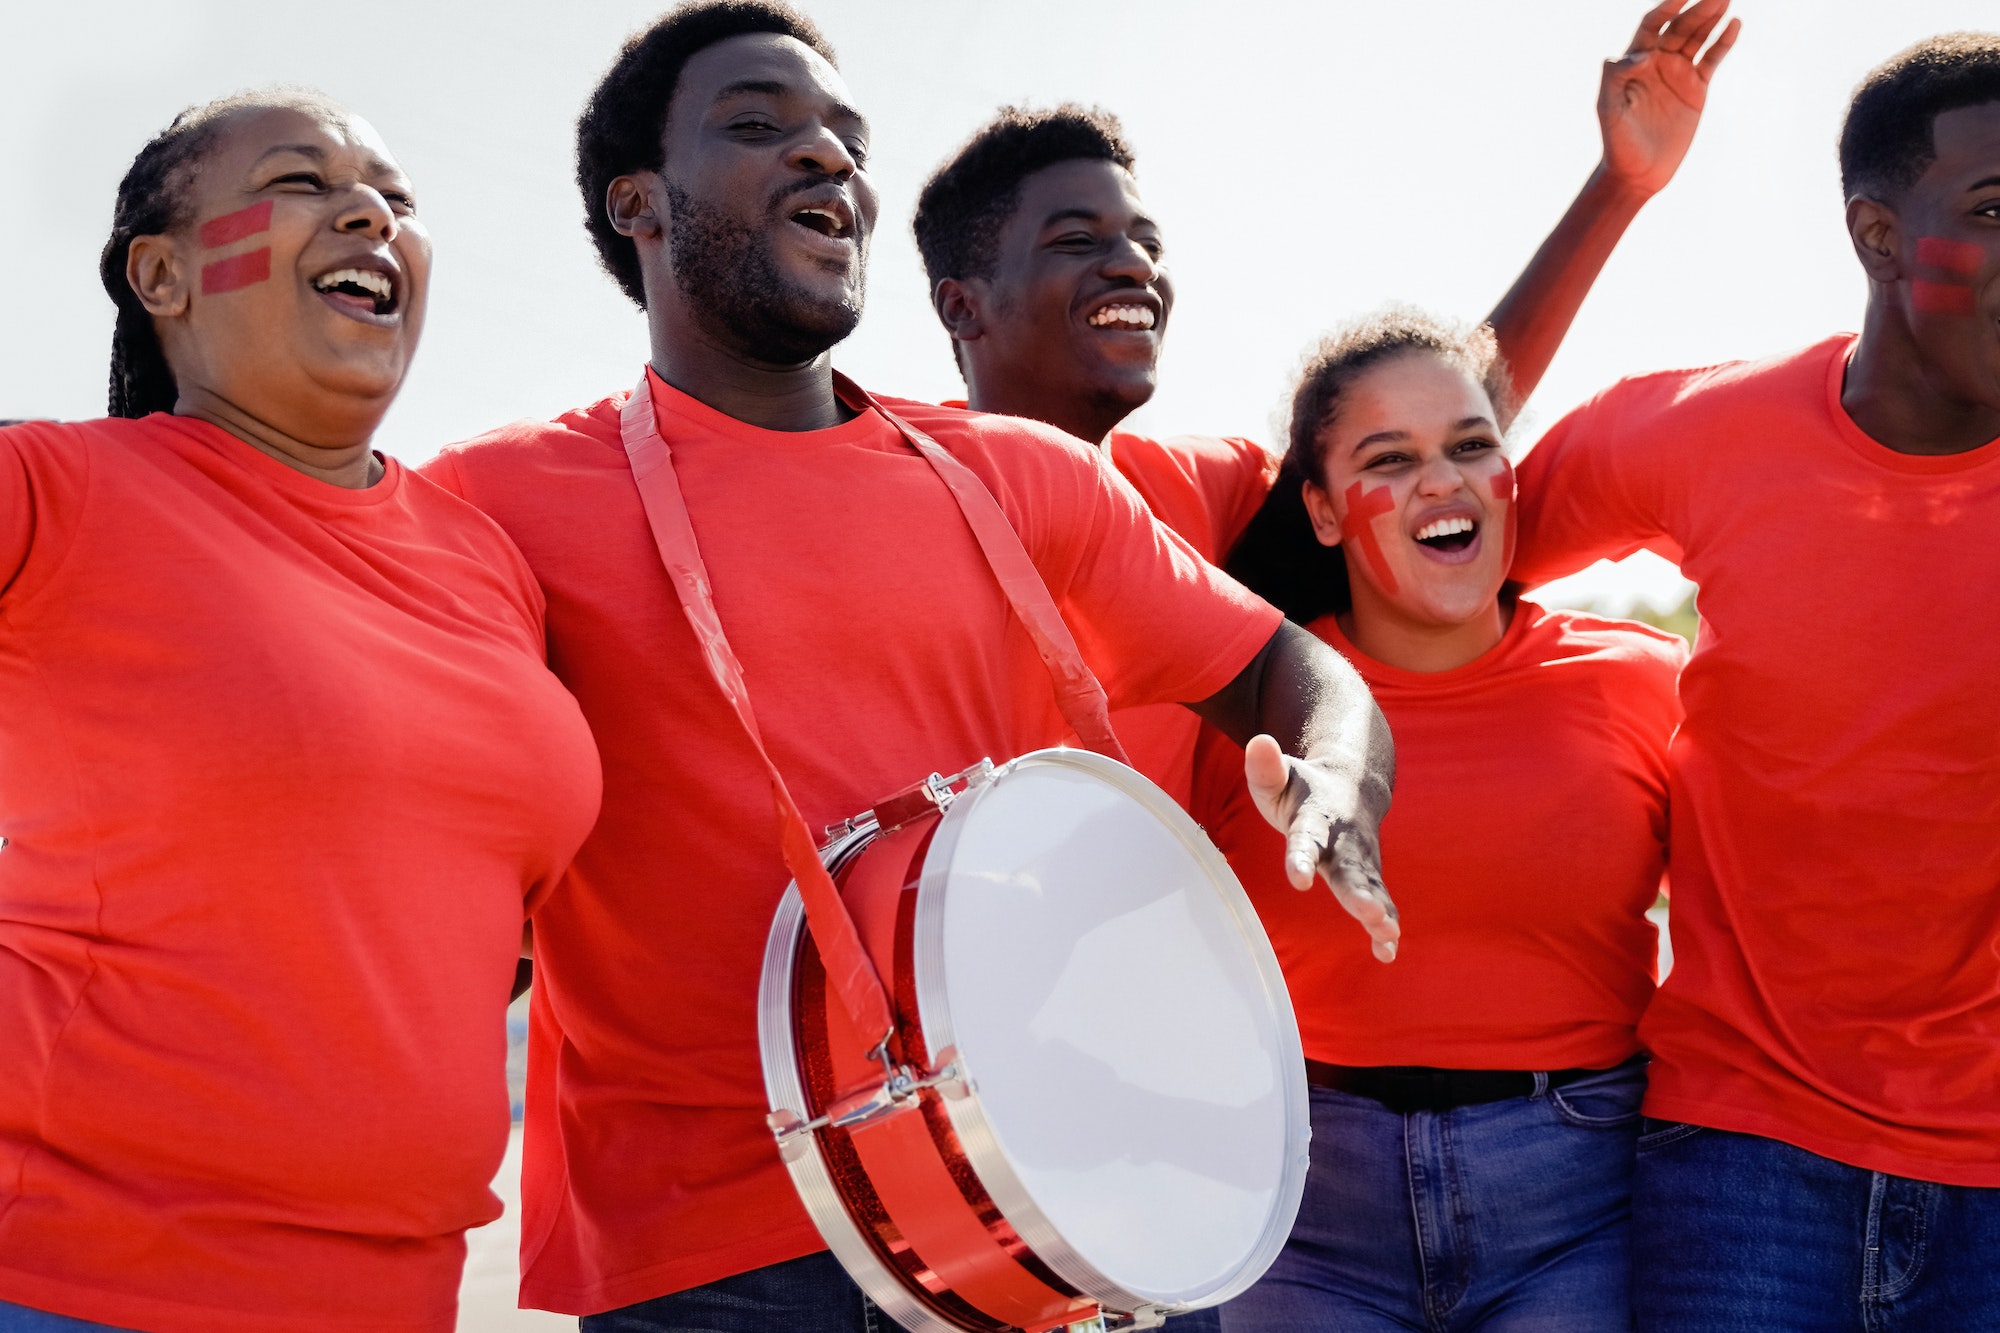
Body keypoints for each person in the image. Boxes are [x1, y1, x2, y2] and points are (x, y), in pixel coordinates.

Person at [420, 4, 1401, 1329]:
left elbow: (1288, 669)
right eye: (762, 127)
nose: (828, 160)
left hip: (1020, 1228)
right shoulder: (490, 501)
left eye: (846, 137)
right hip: (700, 1269)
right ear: (639, 203)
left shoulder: (1024, 478)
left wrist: (1338, 774)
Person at [0, 93, 602, 1333]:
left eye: (394, 196)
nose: (368, 210)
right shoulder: (54, 489)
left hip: (397, 1294)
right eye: (296, 181)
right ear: (162, 275)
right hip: (75, 1284)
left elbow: (454, 921)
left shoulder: (487, 565)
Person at [910, 0, 1737, 810]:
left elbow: (1421, 422)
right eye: (1077, 240)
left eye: (1146, 241)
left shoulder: (1208, 495)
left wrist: (1616, 188)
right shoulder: (900, 489)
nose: (1133, 265)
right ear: (962, 306)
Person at [1504, 33, 2000, 1331]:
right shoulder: (1700, 433)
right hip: (1742, 1143)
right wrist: (1615, 190)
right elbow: (1429, 518)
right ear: (1881, 236)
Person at [1195, 310, 1684, 1330]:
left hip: (1579, 1197)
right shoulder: (1239, 706)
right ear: (1322, 513)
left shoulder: (1640, 680)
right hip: (1301, 1204)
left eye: (1471, 446)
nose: (1443, 480)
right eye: (1390, 458)